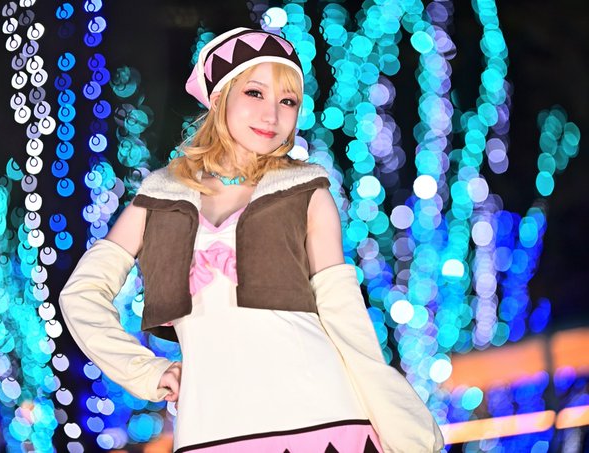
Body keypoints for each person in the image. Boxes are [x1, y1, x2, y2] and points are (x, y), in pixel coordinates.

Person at [59, 27, 444, 452]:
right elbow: (81, 295)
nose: (271, 115)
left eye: (288, 101)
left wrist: (407, 432)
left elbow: (346, 319)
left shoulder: (307, 191)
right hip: (211, 429)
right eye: (255, 93)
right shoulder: (160, 197)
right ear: (219, 98)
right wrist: (145, 371)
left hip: (325, 420)